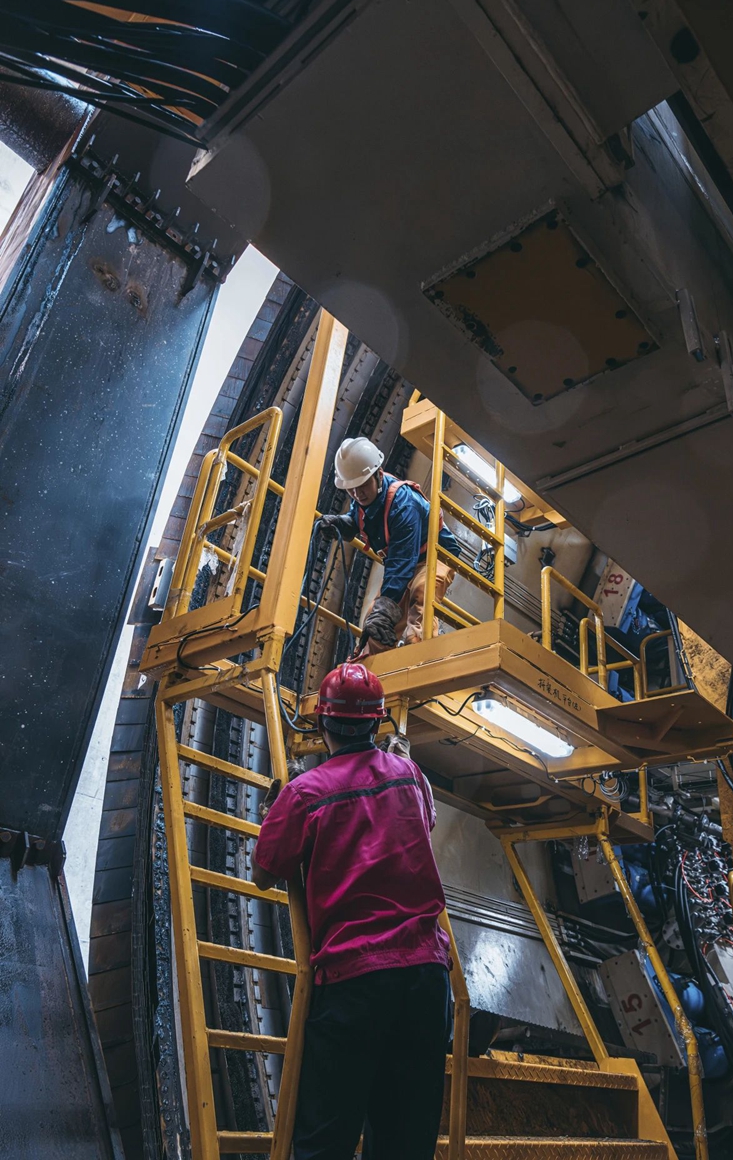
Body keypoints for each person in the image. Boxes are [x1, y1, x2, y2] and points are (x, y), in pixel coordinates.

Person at [251, 662, 452, 1160]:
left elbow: (264, 872)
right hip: (427, 981)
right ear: (377, 722)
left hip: (353, 985)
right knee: (405, 1142)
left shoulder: (306, 793)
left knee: (326, 1139)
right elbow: (424, 820)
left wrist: (275, 814)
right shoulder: (409, 776)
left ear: (322, 724)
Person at [318, 436, 461, 655]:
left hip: (436, 555)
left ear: (378, 473)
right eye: (351, 489)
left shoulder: (404, 503)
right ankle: (367, 669)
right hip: (406, 561)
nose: (357, 494)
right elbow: (357, 520)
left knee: (421, 594)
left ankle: (420, 652)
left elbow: (401, 563)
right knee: (373, 623)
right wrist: (341, 524)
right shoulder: (364, 497)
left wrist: (385, 612)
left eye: (362, 485)